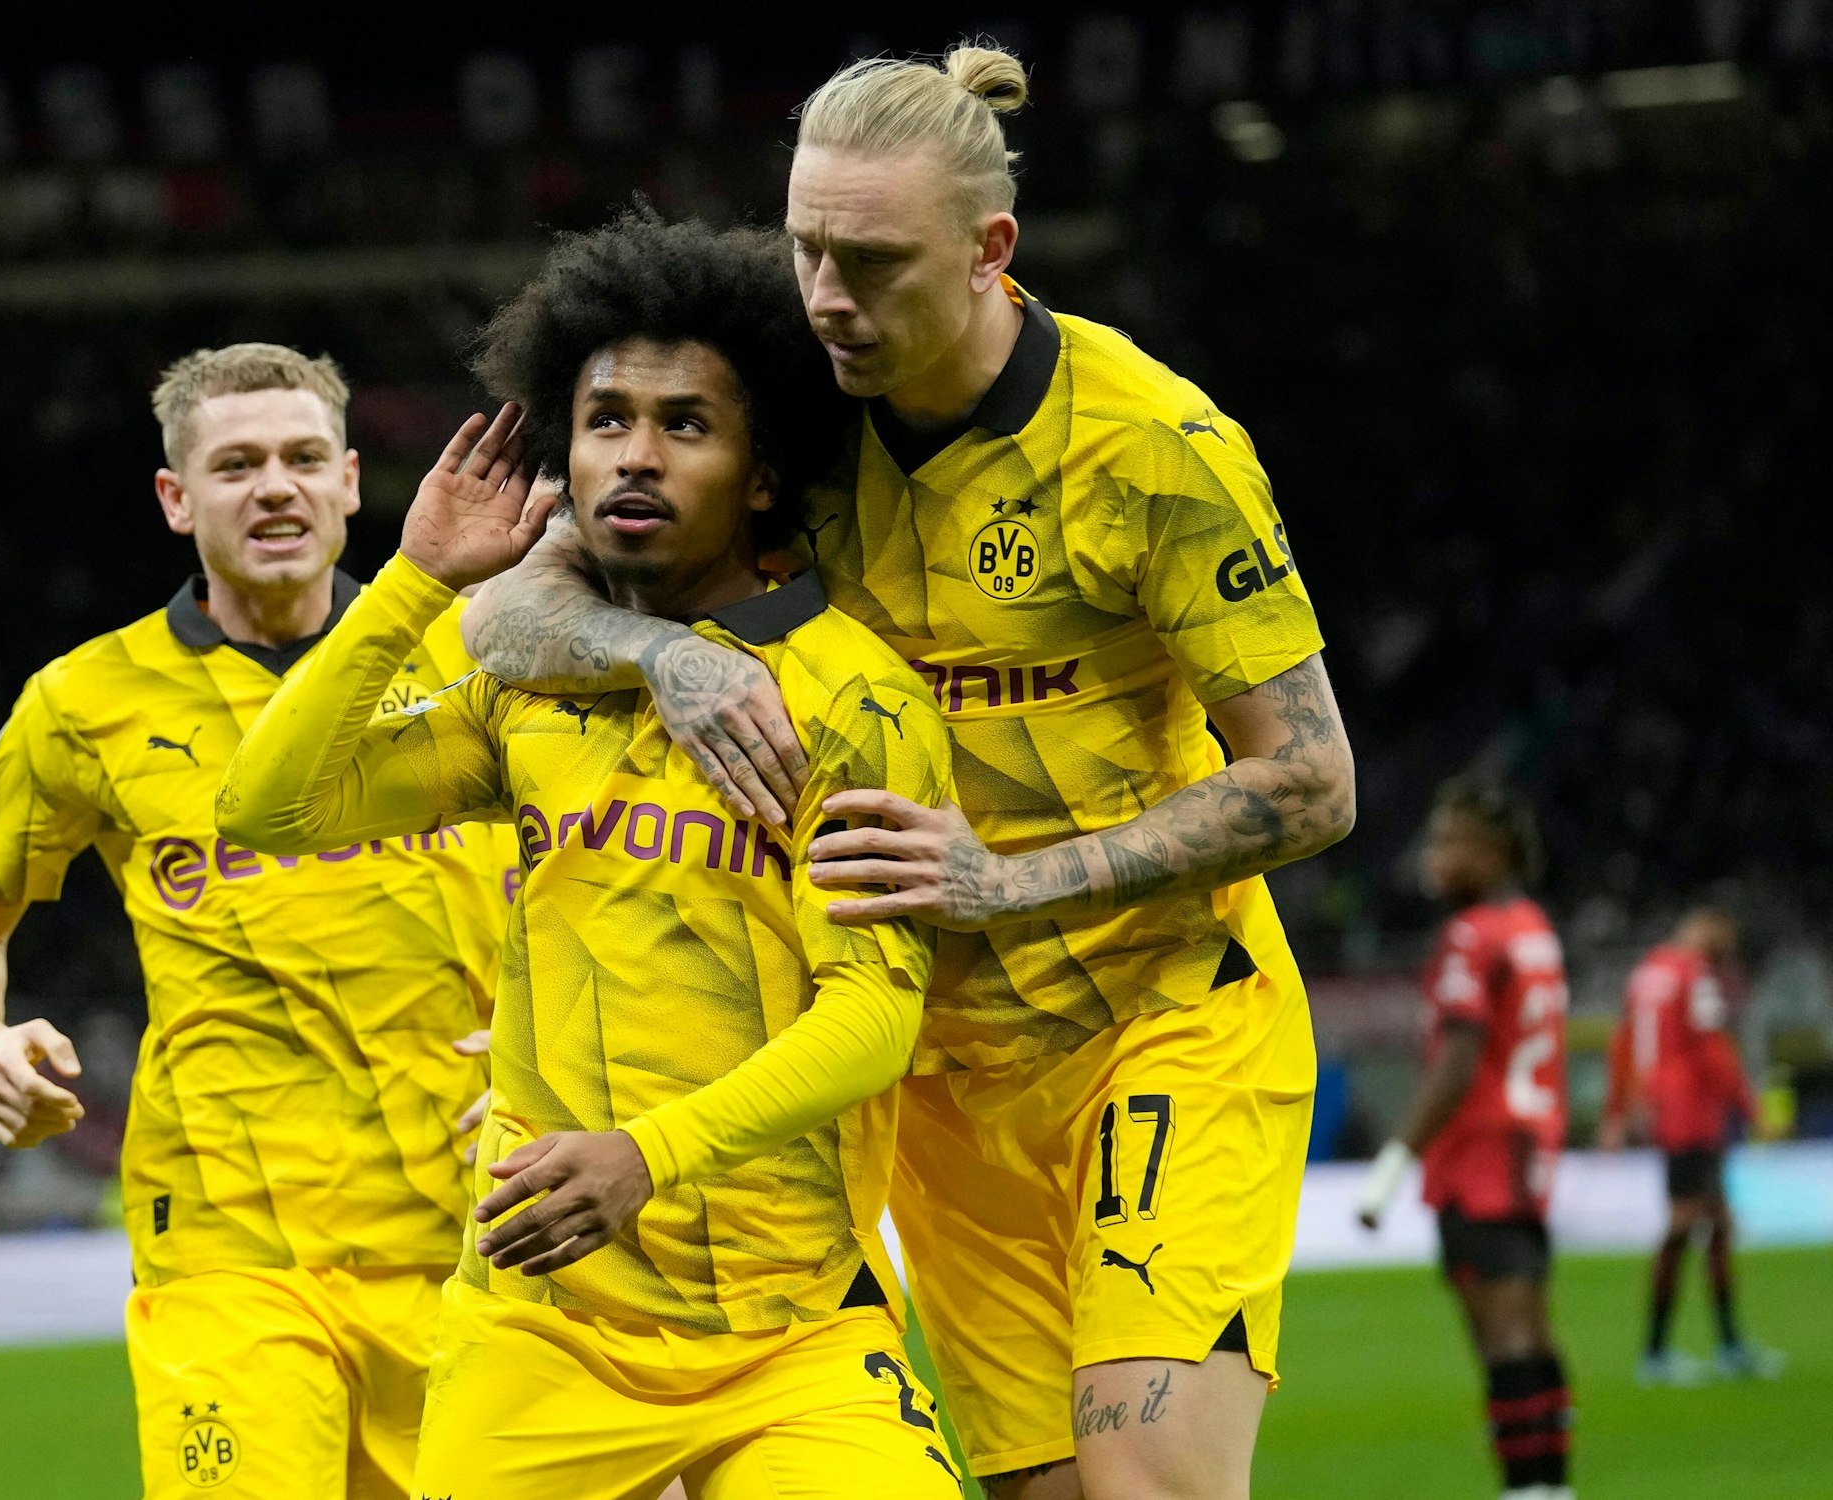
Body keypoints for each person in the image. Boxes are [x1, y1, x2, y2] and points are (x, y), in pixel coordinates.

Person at [460, 44, 1357, 1500]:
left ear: (991, 250)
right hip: (938, 1082)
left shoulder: (1154, 450)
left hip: (1162, 1023)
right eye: (807, 249)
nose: (825, 298)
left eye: (870, 263)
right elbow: (507, 612)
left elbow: (1314, 782)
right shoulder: (791, 423)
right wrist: (661, 659)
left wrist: (1005, 882)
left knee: (1147, 1486)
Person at [218, 213, 964, 1500]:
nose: (635, 453)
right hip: (541, 1322)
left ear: (764, 468)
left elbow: (873, 1017)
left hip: (789, 1328)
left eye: (686, 425)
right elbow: (270, 811)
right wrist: (411, 581)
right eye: (606, 418)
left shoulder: (853, 699)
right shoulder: (521, 683)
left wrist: (646, 1155)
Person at [0, 344, 519, 1500]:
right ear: (175, 499)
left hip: (476, 1231)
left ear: (350, 482)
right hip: (228, 1247)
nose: (274, 488)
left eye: (300, 459)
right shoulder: (85, 701)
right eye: (235, 465)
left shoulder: (483, 659)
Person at [1356, 779, 1573, 1500]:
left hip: (1479, 1157)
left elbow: (1457, 1059)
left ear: (1491, 851)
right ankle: (1552, 1485)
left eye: (1450, 841)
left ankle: (1525, 1489)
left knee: (1502, 1339)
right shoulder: (1533, 929)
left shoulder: (1472, 936)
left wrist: (1392, 1163)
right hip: (1528, 1154)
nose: (1435, 856)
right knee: (1534, 1332)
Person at [1601, 907, 1782, 1384]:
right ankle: (1656, 1352)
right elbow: (1712, 1049)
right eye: (1725, 935)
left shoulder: (1647, 972)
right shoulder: (1694, 975)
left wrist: (1617, 1111)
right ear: (1708, 925)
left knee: (1718, 1222)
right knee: (1684, 1224)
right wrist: (1752, 1109)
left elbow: (1623, 1042)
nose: (1726, 947)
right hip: (1693, 1114)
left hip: (1665, 1108)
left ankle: (1728, 1344)